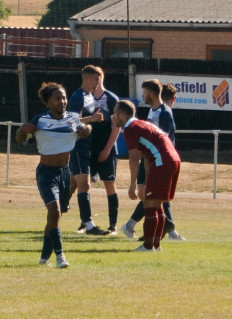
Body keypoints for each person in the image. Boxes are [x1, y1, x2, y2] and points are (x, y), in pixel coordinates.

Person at [16, 82, 92, 268]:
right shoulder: (39, 120)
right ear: (48, 102)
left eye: (64, 97)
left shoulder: (73, 119)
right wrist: (22, 130)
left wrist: (87, 130)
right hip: (46, 174)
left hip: (65, 174)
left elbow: (86, 130)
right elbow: (19, 139)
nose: (62, 101)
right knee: (54, 211)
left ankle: (44, 258)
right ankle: (60, 256)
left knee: (55, 216)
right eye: (57, 98)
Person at [121, 81, 185, 240]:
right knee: (151, 195)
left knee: (156, 196)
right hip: (150, 159)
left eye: (144, 92)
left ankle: (162, 230)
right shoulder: (152, 111)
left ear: (151, 93)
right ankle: (166, 229)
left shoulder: (165, 112)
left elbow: (163, 139)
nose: (142, 95)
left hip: (159, 159)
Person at [114, 100, 180, 252]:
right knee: (157, 204)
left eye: (115, 113)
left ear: (122, 115)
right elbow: (147, 157)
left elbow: (134, 158)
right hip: (172, 159)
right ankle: (155, 246)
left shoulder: (131, 128)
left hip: (162, 161)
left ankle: (148, 246)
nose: (113, 116)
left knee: (149, 205)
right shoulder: (142, 124)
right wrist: (144, 183)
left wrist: (132, 185)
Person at [68, 65, 119, 236]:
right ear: (87, 79)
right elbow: (71, 122)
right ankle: (88, 225)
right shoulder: (77, 96)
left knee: (82, 184)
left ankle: (63, 214)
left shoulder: (90, 96)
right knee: (83, 184)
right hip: (79, 146)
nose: (98, 83)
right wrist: (92, 118)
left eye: (99, 79)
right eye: (96, 79)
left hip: (88, 147)